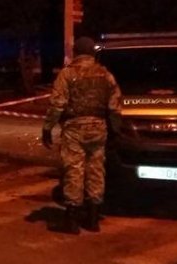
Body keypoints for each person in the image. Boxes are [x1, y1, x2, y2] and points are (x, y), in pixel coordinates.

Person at [42, 36, 121, 234]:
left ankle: (72, 220)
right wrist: (115, 129)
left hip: (74, 128)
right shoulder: (105, 74)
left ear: (76, 52)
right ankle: (93, 218)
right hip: (99, 127)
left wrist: (47, 128)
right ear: (93, 52)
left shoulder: (67, 74)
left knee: (74, 170)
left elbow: (57, 104)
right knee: (96, 170)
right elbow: (114, 105)